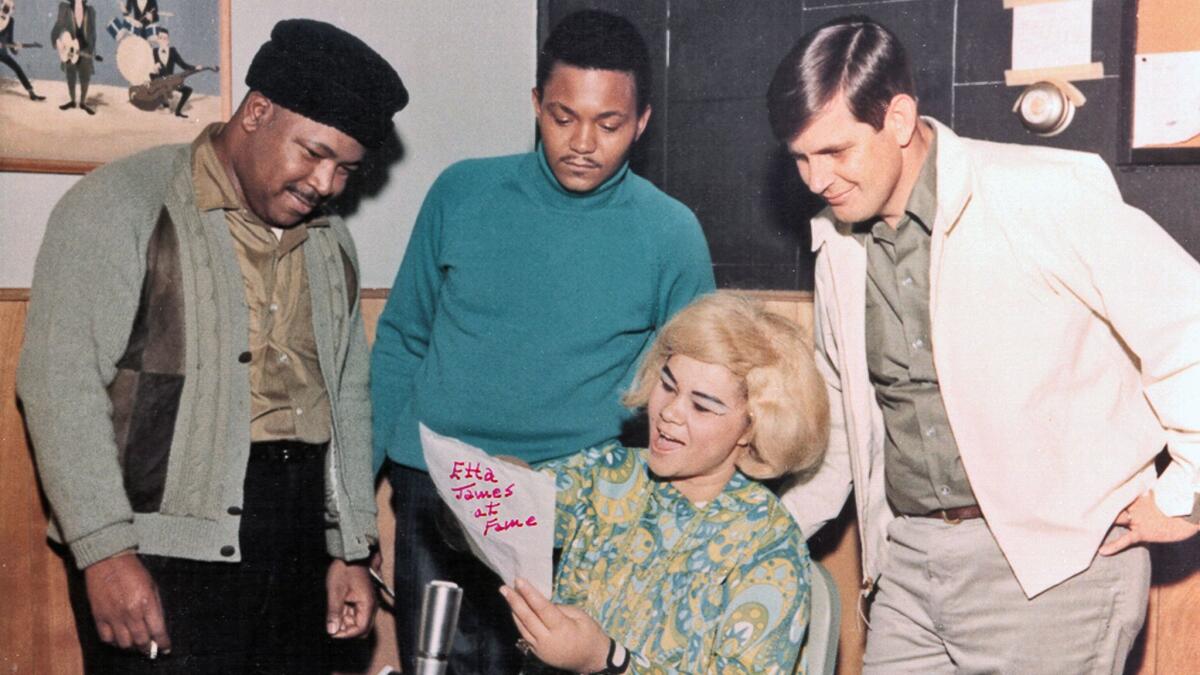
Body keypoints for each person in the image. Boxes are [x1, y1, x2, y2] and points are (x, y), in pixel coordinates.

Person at [767, 15, 1200, 673]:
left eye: (835, 152)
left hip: (1053, 570)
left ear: (900, 118)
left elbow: (1187, 319)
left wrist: (1185, 492)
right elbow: (848, 420)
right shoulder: (839, 244)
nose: (816, 180)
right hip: (908, 563)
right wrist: (763, 527)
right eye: (800, 157)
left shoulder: (1041, 192)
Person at [18, 18, 408, 673]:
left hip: (296, 538)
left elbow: (346, 394)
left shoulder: (331, 242)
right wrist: (104, 549)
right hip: (159, 548)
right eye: (313, 152)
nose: (327, 184)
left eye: (346, 168)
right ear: (256, 112)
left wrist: (349, 546)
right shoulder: (117, 206)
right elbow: (59, 384)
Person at [371, 9, 715, 673]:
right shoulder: (460, 192)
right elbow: (402, 342)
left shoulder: (671, 233)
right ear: (535, 104)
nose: (582, 141)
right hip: (437, 490)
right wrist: (358, 506)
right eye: (562, 116)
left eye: (609, 123)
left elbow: (698, 393)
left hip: (580, 508)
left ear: (641, 122)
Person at [499, 293, 829, 674]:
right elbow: (498, 518)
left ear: (751, 428)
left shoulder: (768, 546)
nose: (670, 412)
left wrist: (606, 660)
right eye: (668, 385)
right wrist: (497, 487)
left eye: (702, 406)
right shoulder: (608, 475)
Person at [52, 0, 97, 114]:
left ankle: (82, 102)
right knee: (70, 76)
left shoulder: (90, 11)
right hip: (69, 48)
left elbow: (92, 33)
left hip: (85, 49)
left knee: (85, 77)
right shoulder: (65, 8)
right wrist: (59, 44)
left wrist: (92, 50)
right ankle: (72, 101)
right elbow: (58, 27)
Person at [0, 0, 47, 101]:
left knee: (17, 68)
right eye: (4, 7)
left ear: (12, 10)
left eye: (8, 8)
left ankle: (32, 93)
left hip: (2, 53)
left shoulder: (10, 21)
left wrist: (15, 49)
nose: (5, 10)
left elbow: (9, 41)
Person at [149, 29, 194, 117]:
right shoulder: (154, 51)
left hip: (171, 81)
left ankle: (177, 111)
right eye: (160, 38)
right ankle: (165, 105)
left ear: (168, 41)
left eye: (165, 38)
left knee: (188, 90)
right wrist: (155, 67)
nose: (163, 40)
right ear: (157, 40)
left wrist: (195, 67)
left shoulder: (172, 51)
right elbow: (152, 66)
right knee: (158, 82)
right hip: (160, 83)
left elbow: (183, 64)